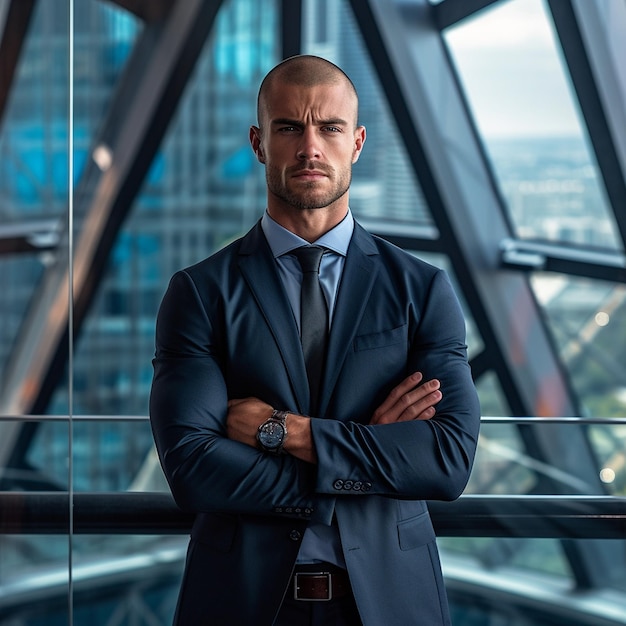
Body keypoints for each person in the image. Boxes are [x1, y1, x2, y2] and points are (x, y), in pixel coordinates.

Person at [150, 54, 481, 626]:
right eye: (289, 128)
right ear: (258, 142)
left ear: (356, 142)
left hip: (390, 605)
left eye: (329, 128)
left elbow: (447, 460)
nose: (310, 147)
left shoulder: (422, 289)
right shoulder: (199, 292)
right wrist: (368, 457)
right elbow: (193, 468)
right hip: (242, 604)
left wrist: (284, 433)